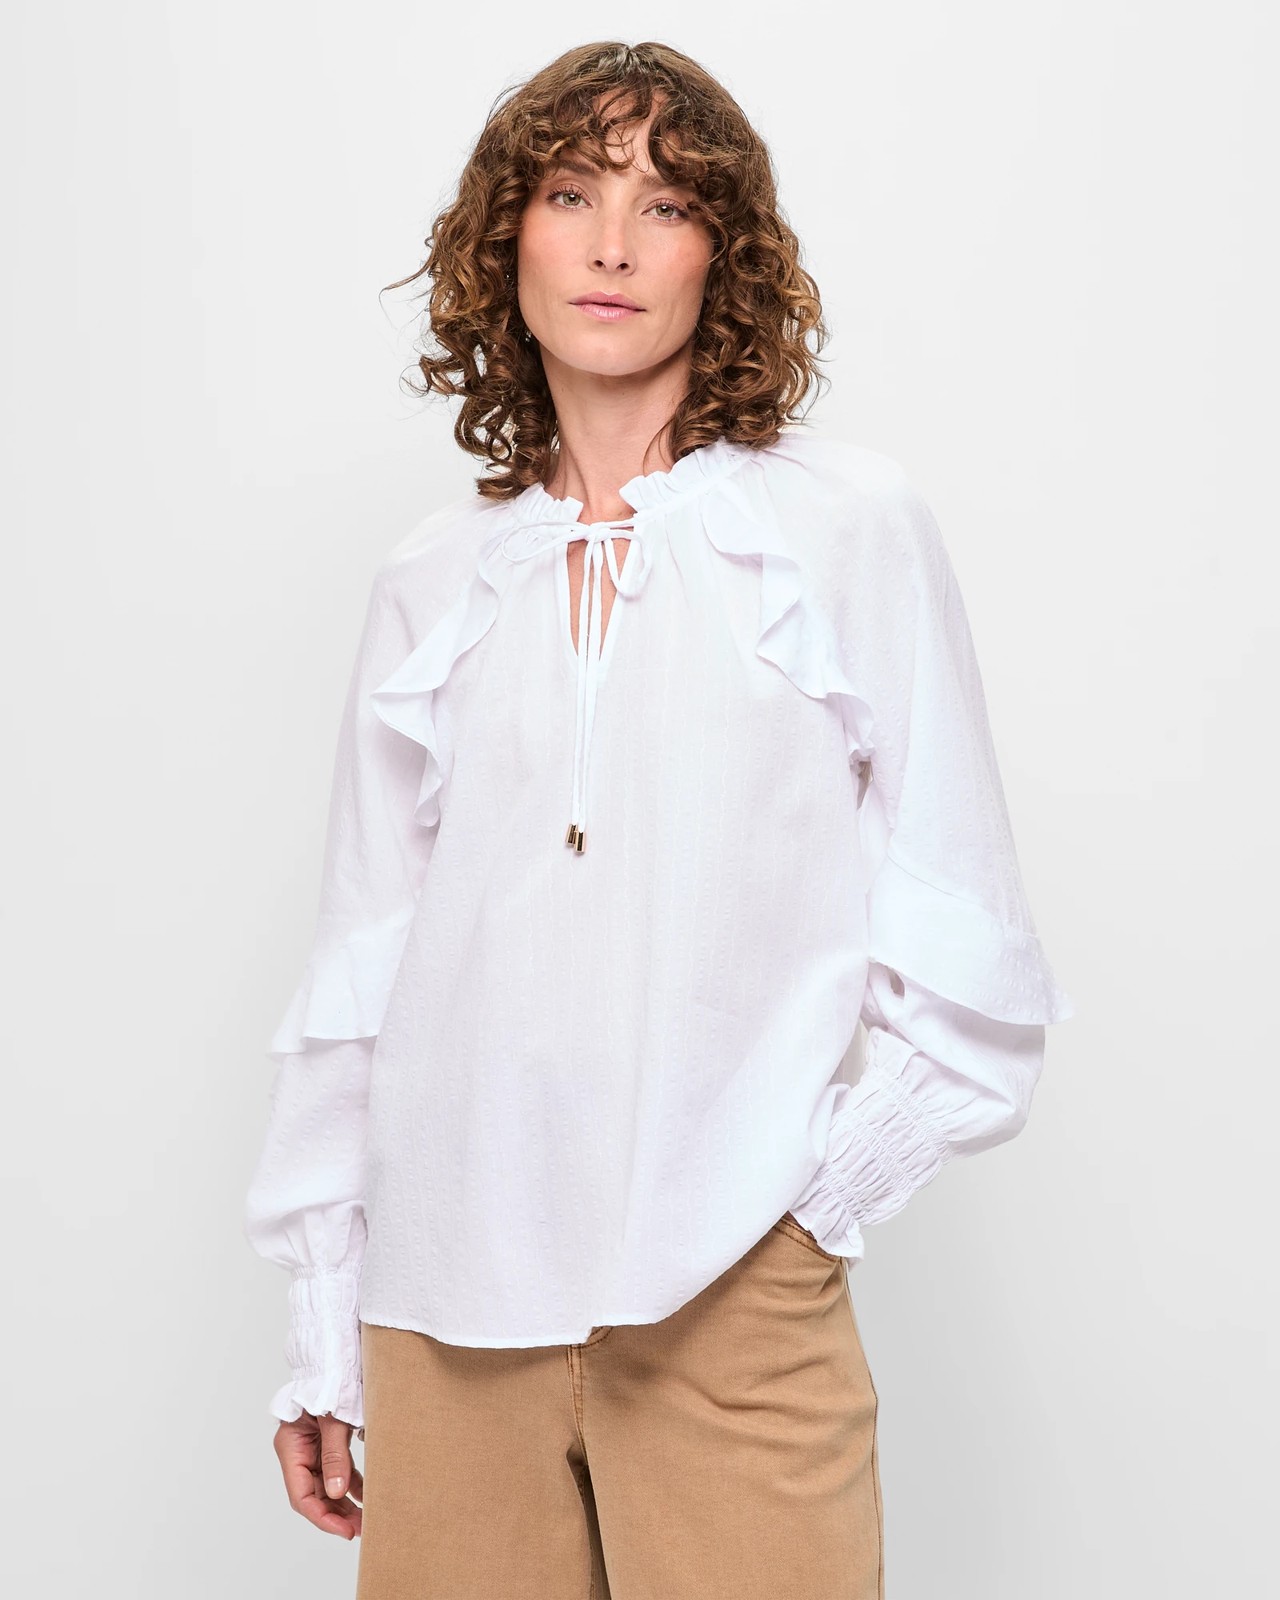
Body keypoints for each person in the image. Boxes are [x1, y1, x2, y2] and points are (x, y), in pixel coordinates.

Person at [243, 38, 1074, 1599]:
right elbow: (365, 963)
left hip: (729, 1310)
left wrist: (804, 1211)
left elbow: (971, 943)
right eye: (572, 194)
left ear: (725, 257)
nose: (614, 244)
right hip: (446, 1320)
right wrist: (322, 1328)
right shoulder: (435, 580)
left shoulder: (846, 530)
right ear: (508, 240)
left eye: (668, 204)